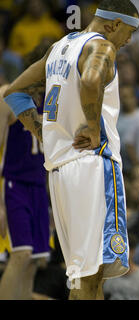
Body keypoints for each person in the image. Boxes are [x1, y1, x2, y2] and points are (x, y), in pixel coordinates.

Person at [2, 0, 139, 300]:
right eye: (129, 32)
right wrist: (91, 126)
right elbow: (91, 79)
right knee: (91, 273)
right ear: (114, 25)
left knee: (84, 274)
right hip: (93, 165)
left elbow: (14, 92)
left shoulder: (59, 48)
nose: (129, 40)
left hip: (61, 171)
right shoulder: (102, 46)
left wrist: (39, 129)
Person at [0, 41, 51, 300]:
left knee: (34, 259)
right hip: (14, 184)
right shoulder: (8, 94)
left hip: (38, 187)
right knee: (20, 254)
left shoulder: (53, 101)